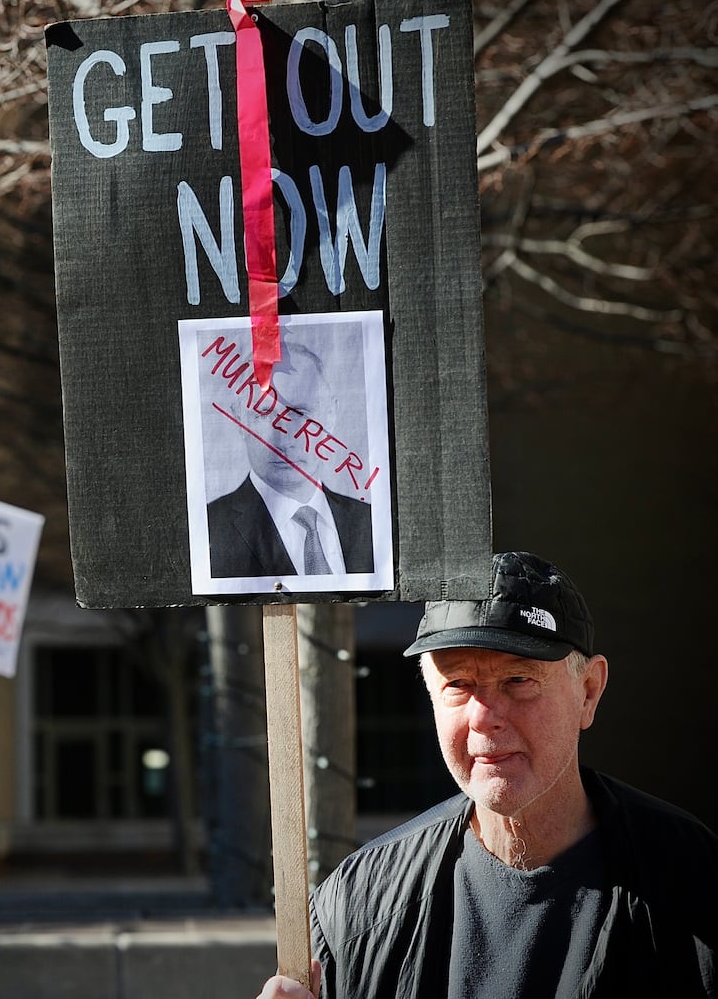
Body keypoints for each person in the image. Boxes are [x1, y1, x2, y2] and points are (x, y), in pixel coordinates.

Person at [257, 551, 717, 999]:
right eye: (457, 685)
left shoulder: (693, 882)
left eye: (518, 680)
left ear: (589, 691)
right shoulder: (359, 906)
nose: (484, 716)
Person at [207, 339, 373, 579]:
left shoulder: (369, 523)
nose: (284, 439)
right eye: (264, 414)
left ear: (331, 415)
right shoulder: (210, 531)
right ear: (239, 419)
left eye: (300, 413)